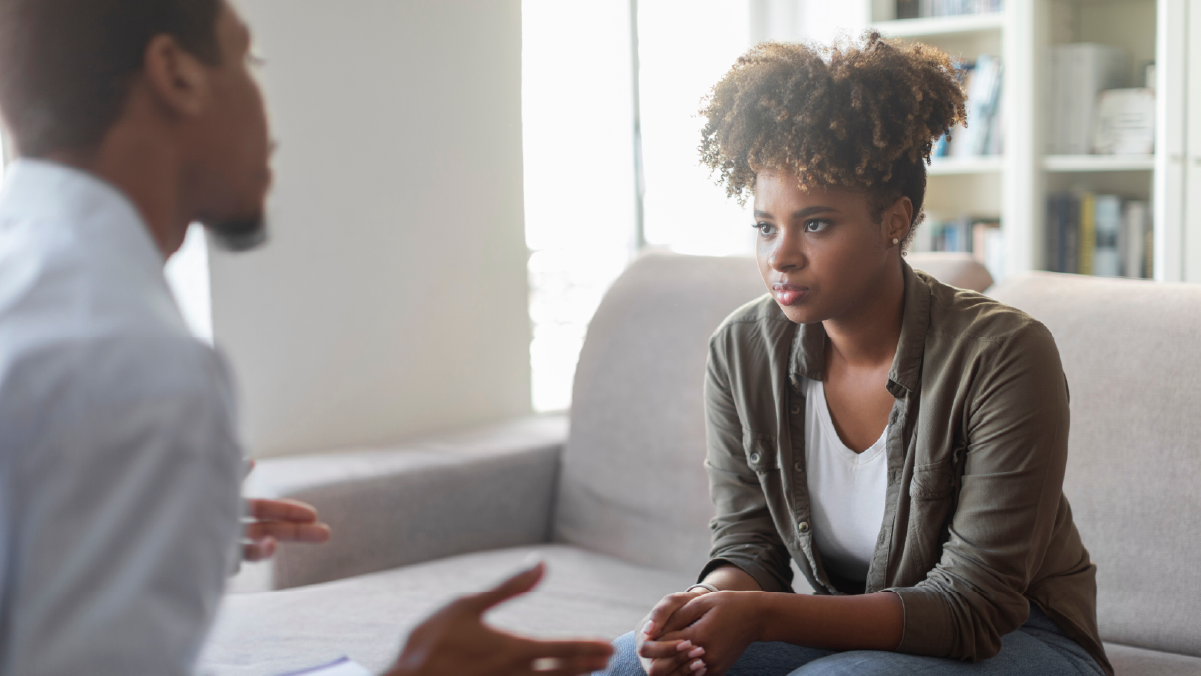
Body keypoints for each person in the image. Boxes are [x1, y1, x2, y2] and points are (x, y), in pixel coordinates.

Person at [0, 1, 611, 675]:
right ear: (176, 74)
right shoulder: (137, 363)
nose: (272, 122)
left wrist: (133, 531)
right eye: (248, 60)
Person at [602, 34, 1112, 676]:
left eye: (815, 224)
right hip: (860, 630)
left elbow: (972, 607)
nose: (779, 255)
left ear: (895, 221)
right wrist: (701, 610)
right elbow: (750, 547)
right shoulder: (741, 350)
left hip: (1021, 637)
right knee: (626, 665)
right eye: (765, 226)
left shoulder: (1003, 355)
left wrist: (762, 616)